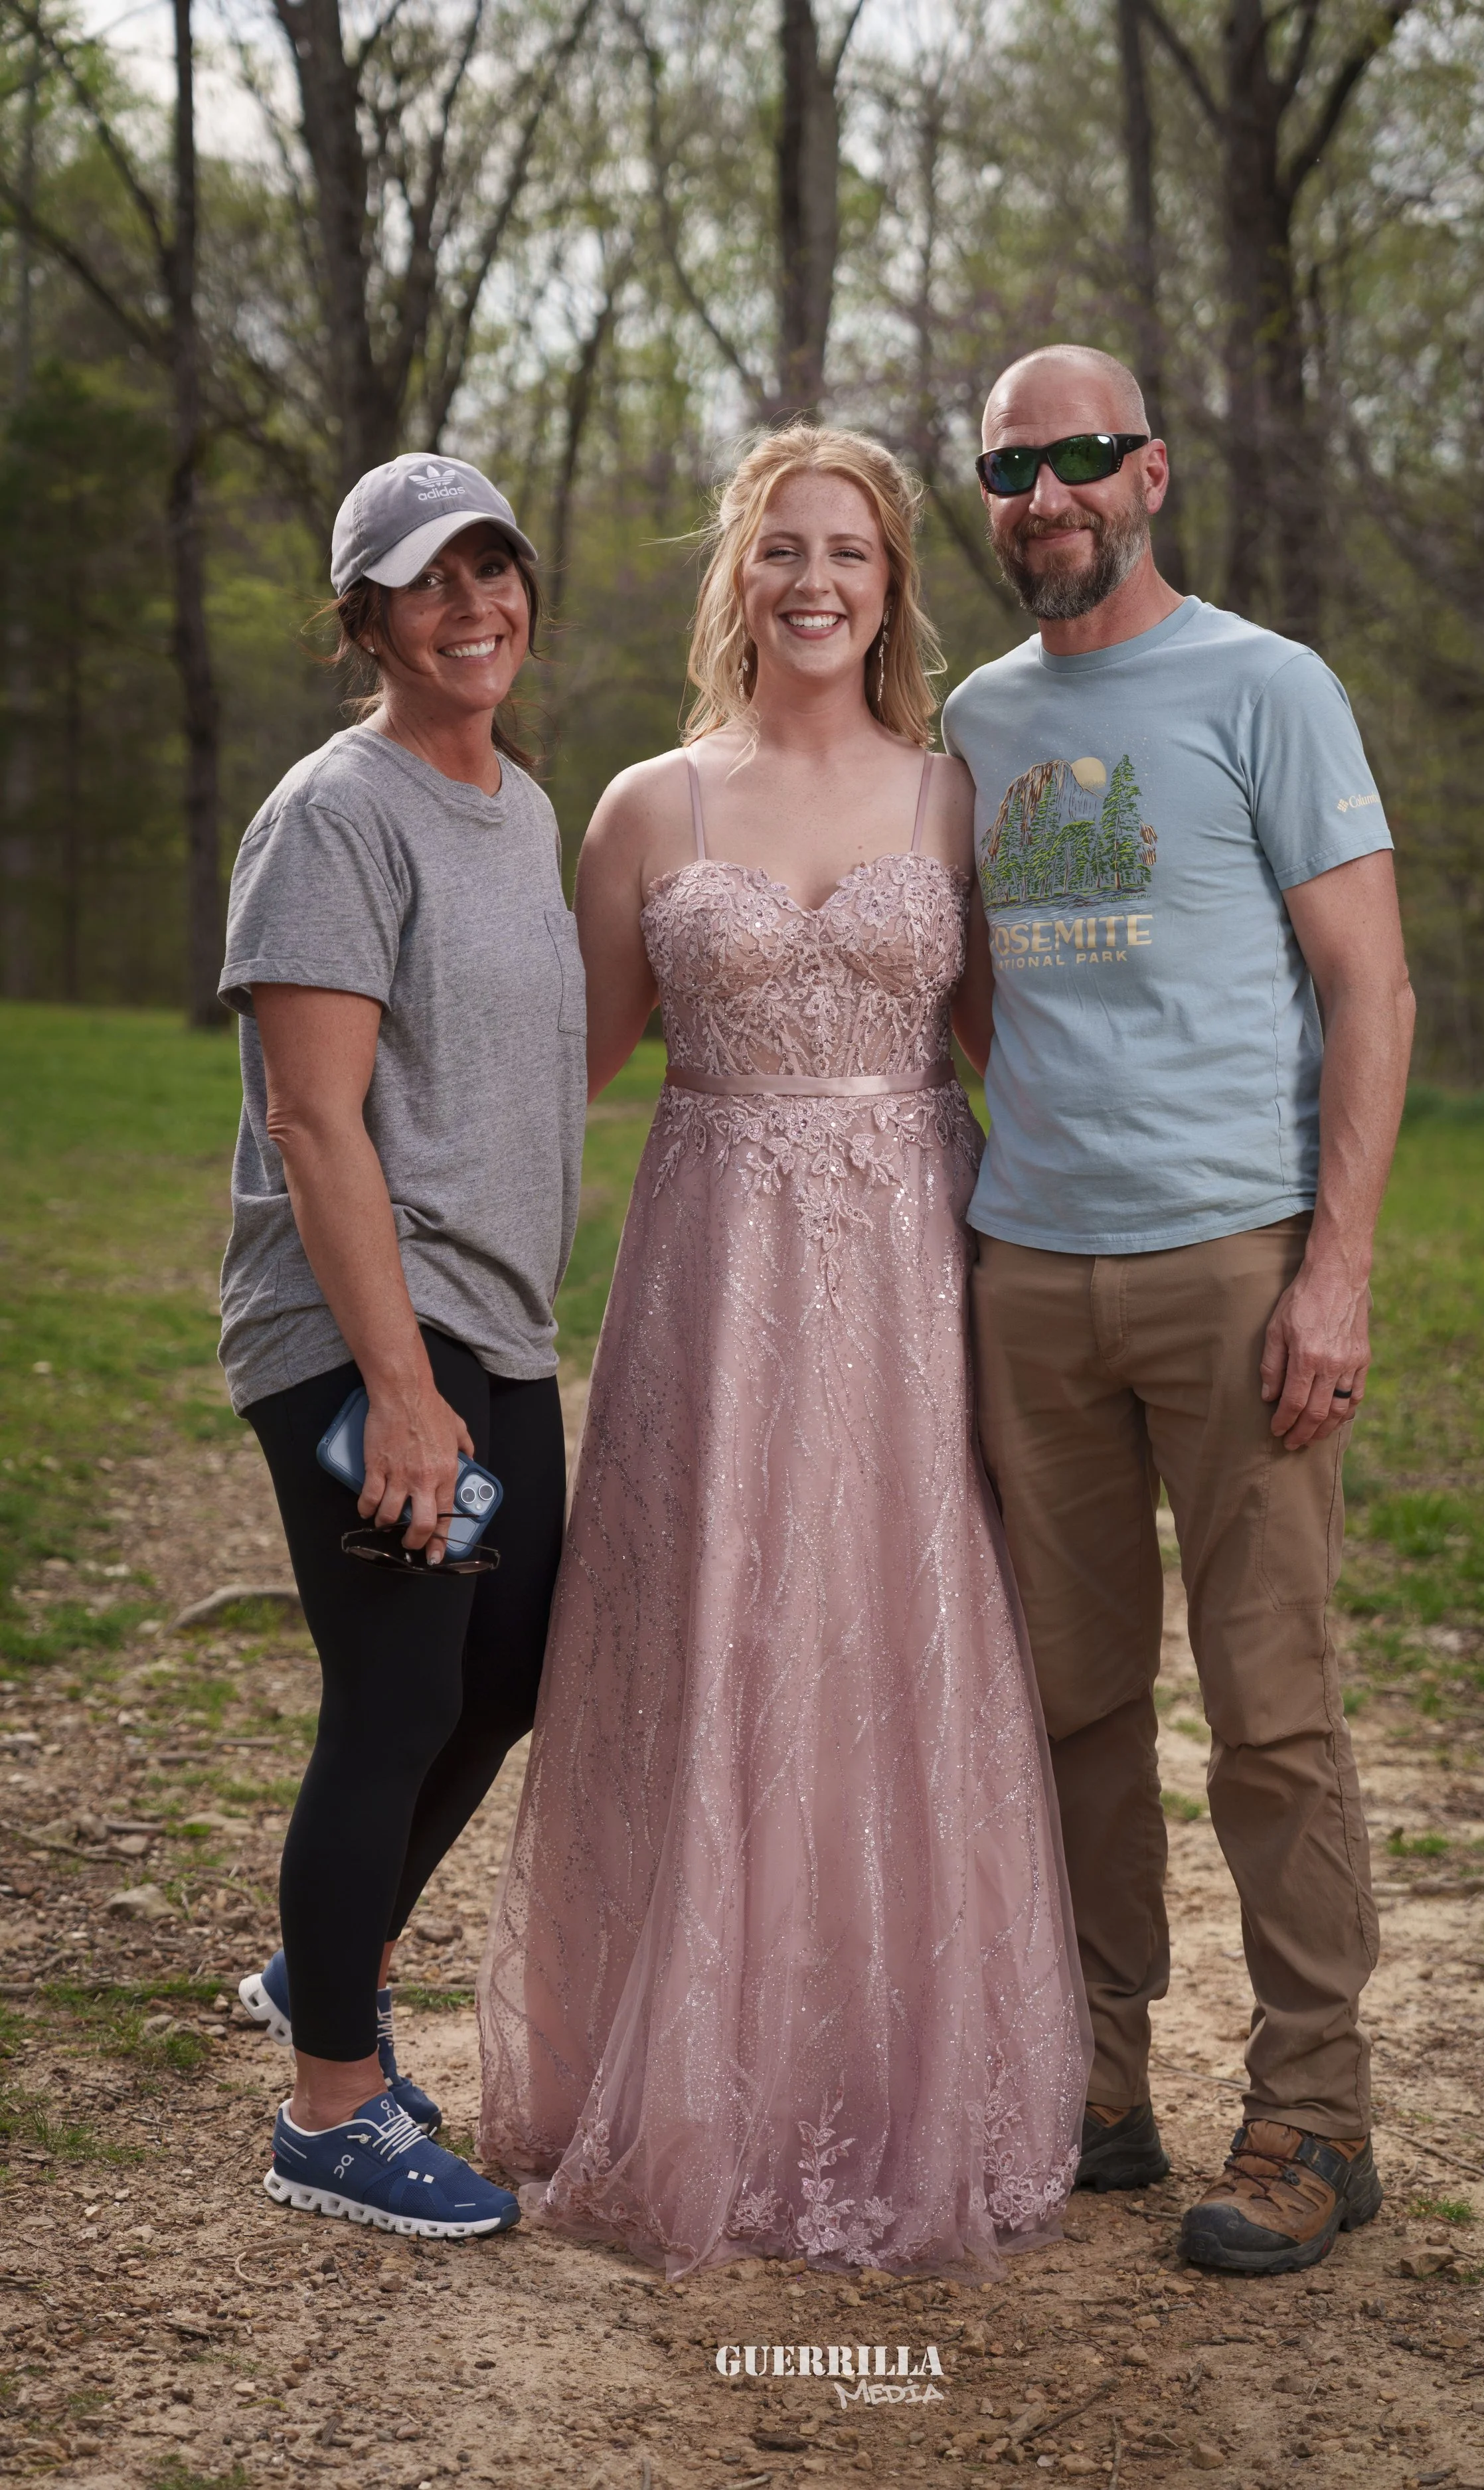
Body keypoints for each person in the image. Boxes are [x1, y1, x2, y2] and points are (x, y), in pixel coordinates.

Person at [477, 424, 1088, 2275]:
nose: (813, 582)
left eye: (848, 553)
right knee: (712, 1622)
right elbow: (559, 1077)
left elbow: (1025, 1050)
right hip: (714, 1279)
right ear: (736, 578)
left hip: (908, 1278)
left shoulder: (951, 797)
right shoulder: (646, 808)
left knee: (897, 1629)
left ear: (892, 589)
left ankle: (893, 2068)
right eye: (780, 550)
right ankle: (684, 2068)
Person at [942, 346, 1415, 2277]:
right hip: (1031, 1276)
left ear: (1147, 473)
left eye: (1077, 458)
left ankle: (1314, 2114)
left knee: (1271, 1711)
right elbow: (976, 985)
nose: (1043, 495)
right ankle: (1091, 2081)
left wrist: (1333, 1268)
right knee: (1067, 1705)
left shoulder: (1266, 685)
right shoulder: (972, 720)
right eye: (1008, 467)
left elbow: (1370, 988)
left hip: (1236, 1268)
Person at [218, 454, 586, 2239]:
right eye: (427, 580)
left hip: (492, 1318)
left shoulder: (520, 807)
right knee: (395, 1696)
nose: (470, 606)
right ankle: (330, 2108)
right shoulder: (332, 813)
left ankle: (330, 1958)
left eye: (491, 568)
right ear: (365, 618)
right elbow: (312, 1117)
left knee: (504, 1673)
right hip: (366, 1326)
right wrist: (397, 1385)